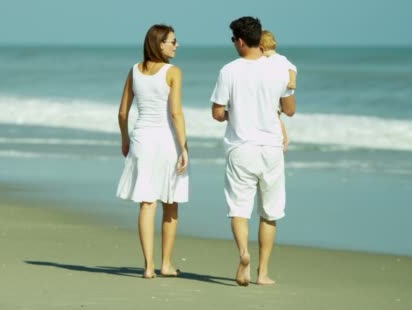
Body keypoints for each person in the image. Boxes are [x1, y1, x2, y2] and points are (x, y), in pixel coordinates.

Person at [210, 17, 296, 286]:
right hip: (270, 148)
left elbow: (217, 112)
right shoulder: (279, 70)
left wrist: (233, 114)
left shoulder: (229, 71)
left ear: (240, 41)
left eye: (233, 40)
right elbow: (290, 109)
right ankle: (263, 273)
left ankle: (244, 254)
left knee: (239, 208)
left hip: (241, 148)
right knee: (269, 212)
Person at [116, 24, 189, 279]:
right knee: (170, 204)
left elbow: (123, 112)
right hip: (166, 142)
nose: (176, 45)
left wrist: (125, 140)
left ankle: (148, 267)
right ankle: (166, 264)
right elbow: (176, 113)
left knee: (147, 204)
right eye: (173, 41)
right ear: (160, 44)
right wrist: (184, 147)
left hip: (141, 141)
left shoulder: (135, 70)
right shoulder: (173, 72)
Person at [259, 29, 297, 152]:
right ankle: (285, 139)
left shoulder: (266, 61)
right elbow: (292, 69)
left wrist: (292, 82)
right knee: (276, 118)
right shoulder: (281, 60)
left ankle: (285, 139)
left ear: (261, 48)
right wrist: (292, 81)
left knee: (275, 117)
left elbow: (292, 69)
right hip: (278, 97)